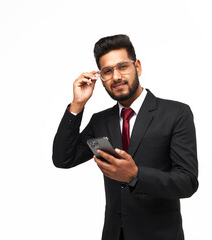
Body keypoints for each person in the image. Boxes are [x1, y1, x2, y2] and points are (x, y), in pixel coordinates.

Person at [52, 34, 198, 240]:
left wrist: (135, 175)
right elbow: (63, 159)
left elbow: (188, 182)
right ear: (100, 78)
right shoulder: (100, 121)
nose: (116, 76)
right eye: (107, 71)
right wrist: (77, 105)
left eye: (122, 67)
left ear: (137, 67)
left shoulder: (176, 113)